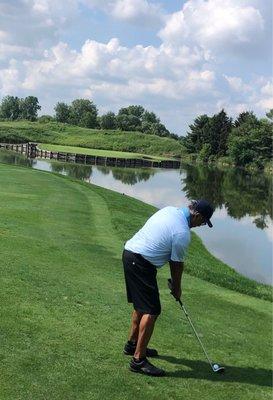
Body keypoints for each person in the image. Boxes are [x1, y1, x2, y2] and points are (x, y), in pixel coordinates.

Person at [122, 199, 214, 377]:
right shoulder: (182, 232)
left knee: (142, 306)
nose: (200, 225)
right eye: (202, 222)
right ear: (197, 215)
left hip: (130, 254)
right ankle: (138, 360)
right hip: (141, 262)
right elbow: (176, 265)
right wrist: (177, 288)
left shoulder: (170, 210)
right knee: (152, 310)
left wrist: (175, 284)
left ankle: (132, 345)